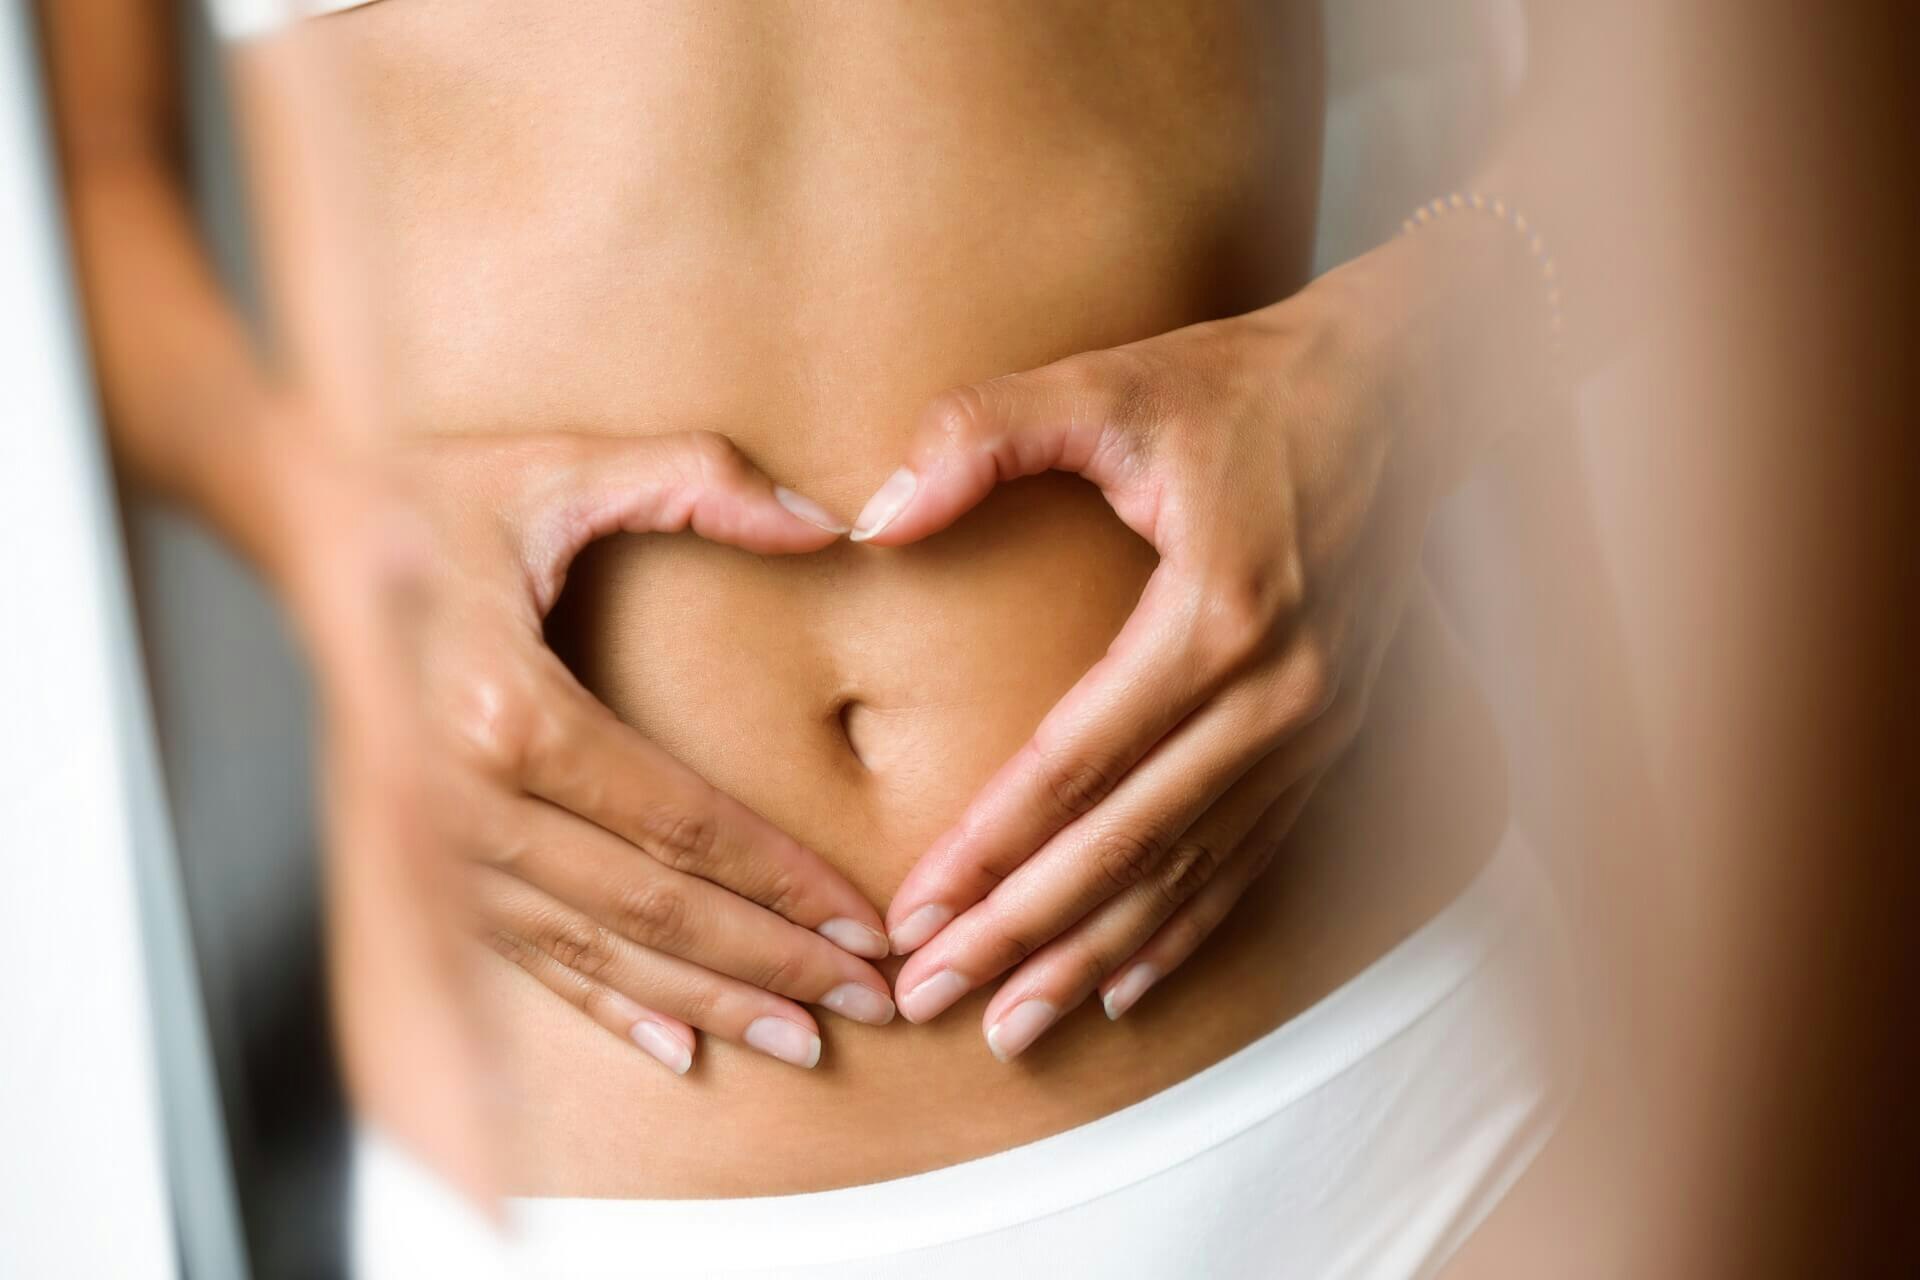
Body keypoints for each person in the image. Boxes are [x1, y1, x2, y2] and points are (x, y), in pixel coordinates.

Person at [42, 0, 1635, 1273]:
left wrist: (1408, 364)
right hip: (574, 1195)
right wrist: (329, 532)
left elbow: (1753, 87)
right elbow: (86, 188)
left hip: (1386, 1126)